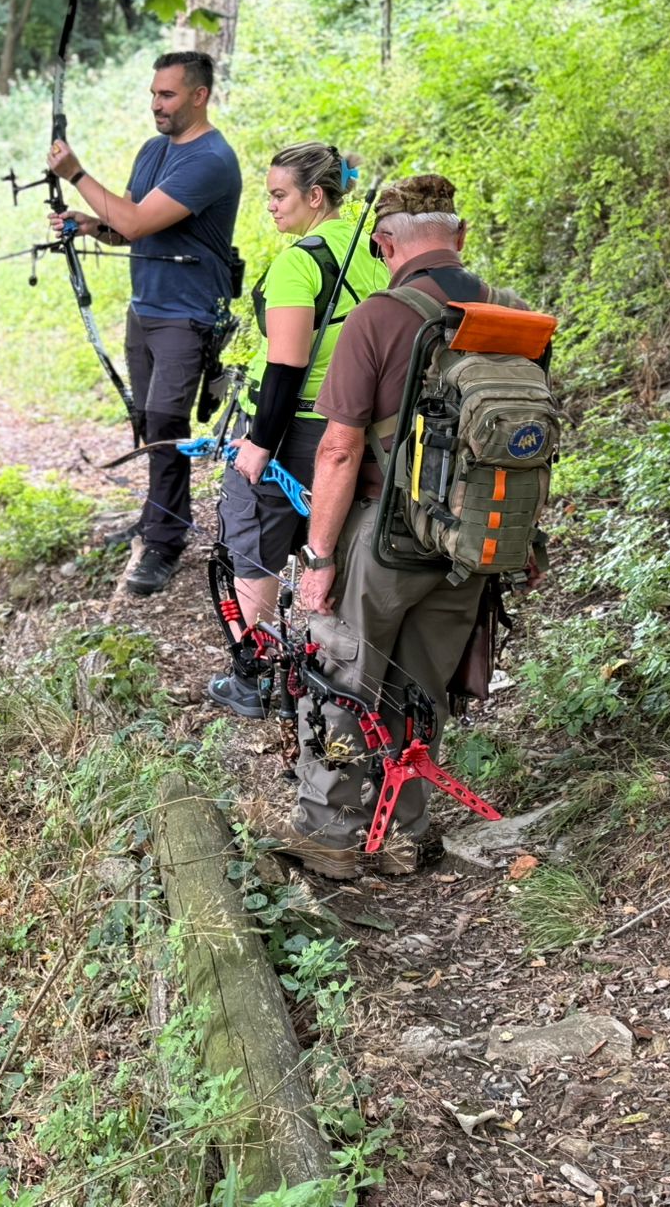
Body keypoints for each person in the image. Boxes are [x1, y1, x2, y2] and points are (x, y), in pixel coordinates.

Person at [285, 175, 543, 878]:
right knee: (422, 689)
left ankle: (332, 837)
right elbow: (528, 441)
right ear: (460, 236)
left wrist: (319, 558)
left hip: (387, 536)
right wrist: (521, 533)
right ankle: (406, 830)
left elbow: (339, 450)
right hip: (474, 537)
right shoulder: (513, 315)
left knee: (342, 682)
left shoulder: (377, 317)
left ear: (384, 245)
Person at [48, 50, 242, 595]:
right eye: (154, 93)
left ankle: (164, 542)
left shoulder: (211, 159)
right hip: (146, 308)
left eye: (168, 94)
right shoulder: (153, 150)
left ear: (199, 96)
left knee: (165, 422)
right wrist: (90, 224)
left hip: (188, 313)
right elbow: (126, 228)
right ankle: (155, 519)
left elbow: (133, 220)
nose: (156, 104)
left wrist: (76, 174)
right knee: (150, 421)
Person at [208, 143, 388, 717]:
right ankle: (328, 670)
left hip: (293, 428)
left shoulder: (299, 262)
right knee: (328, 544)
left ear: (315, 196)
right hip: (356, 425)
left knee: (253, 540)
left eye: (279, 195)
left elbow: (286, 364)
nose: (270, 205)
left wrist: (260, 443)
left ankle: (258, 678)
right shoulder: (373, 250)